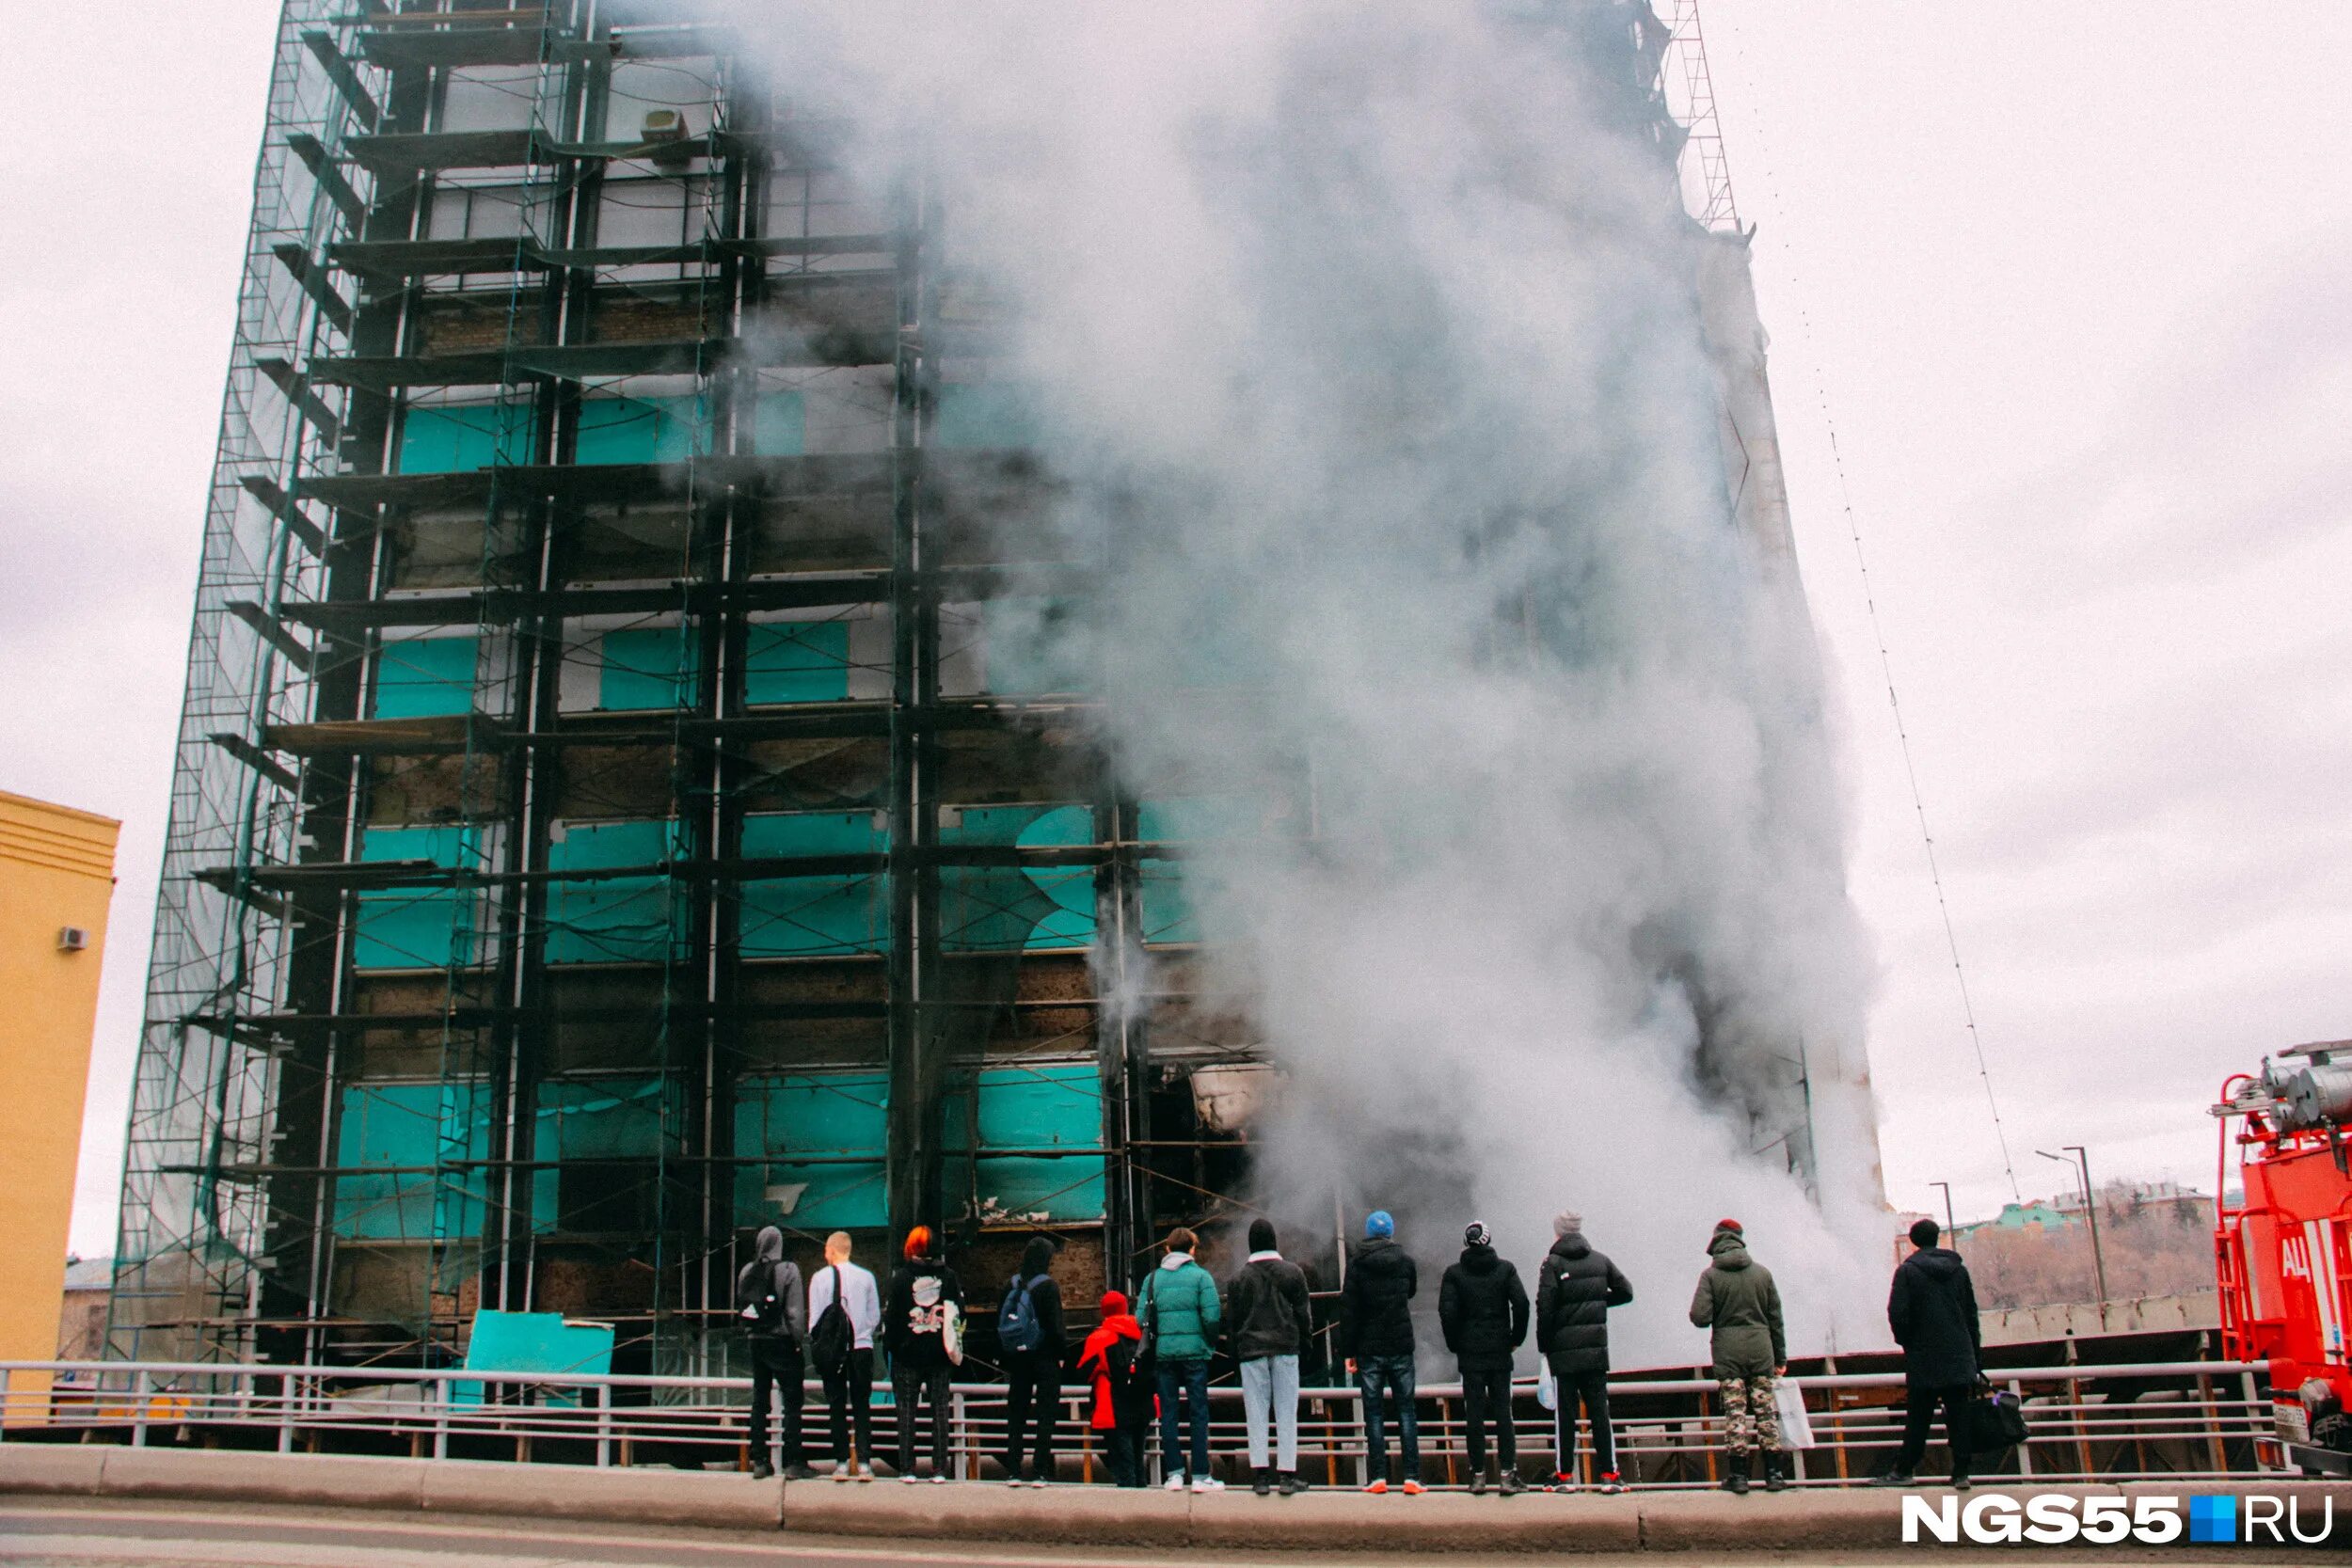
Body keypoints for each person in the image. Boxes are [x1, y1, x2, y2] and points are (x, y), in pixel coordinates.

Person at [1874, 1217, 1982, 1491]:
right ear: (1937, 1238)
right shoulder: (1958, 1270)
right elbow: (1971, 1315)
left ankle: (1904, 1470)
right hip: (1959, 1354)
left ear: (1912, 1240)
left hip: (1924, 1357)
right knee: (1959, 1415)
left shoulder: (1907, 1272)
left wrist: (1907, 1343)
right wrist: (1974, 1355)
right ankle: (1961, 1473)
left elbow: (1897, 1314)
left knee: (1918, 1417)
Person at [1687, 1217, 1788, 1496]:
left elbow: (1699, 1317)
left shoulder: (1710, 1276)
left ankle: (1739, 1477)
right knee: (1766, 1413)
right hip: (1761, 1351)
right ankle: (1775, 1475)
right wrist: (1780, 1359)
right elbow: (1776, 1319)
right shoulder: (1762, 1274)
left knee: (1735, 1414)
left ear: (1716, 1240)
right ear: (1741, 1240)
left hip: (1729, 1354)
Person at [1535, 1210, 1632, 1493]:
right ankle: (1609, 1476)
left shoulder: (1551, 1264)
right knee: (1600, 1413)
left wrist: (1544, 1347)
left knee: (1565, 1417)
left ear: (1558, 1233)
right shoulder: (1600, 1261)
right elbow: (1626, 1292)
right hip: (1595, 1353)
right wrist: (1597, 1304)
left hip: (1563, 1355)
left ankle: (1565, 1476)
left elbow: (1545, 1308)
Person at [1440, 1220, 1530, 1496]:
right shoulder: (1505, 1269)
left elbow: (1447, 1312)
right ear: (1489, 1241)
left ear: (1466, 1243)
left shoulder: (1454, 1274)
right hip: (1500, 1351)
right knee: (1504, 1414)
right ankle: (1507, 1474)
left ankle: (1477, 1476)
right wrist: (1516, 1339)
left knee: (1474, 1416)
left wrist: (1455, 1343)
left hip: (1470, 1353)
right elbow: (1522, 1304)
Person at [1226, 1217, 1313, 1496]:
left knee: (1256, 1412)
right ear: (1274, 1240)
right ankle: (1287, 1475)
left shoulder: (1238, 1279)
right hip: (1286, 1348)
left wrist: (1234, 1357)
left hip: (1251, 1352)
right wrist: (1306, 1344)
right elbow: (1304, 1315)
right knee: (1287, 1412)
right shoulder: (1293, 1273)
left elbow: (1233, 1324)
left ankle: (1260, 1476)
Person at [1340, 1209, 1422, 1496]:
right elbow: (1410, 1292)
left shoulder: (1356, 1265)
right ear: (1390, 1232)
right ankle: (1412, 1476)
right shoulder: (1406, 1262)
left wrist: (1348, 1351)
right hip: (1400, 1345)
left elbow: (1349, 1310)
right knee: (1406, 1411)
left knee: (1373, 1413)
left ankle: (1378, 1477)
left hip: (1369, 1348)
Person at [1140, 1226, 1223, 1491]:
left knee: (1168, 1414)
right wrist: (1207, 1343)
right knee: (1199, 1413)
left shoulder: (1152, 1280)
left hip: (1164, 1355)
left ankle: (1173, 1474)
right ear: (1192, 1249)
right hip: (1195, 1355)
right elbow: (1212, 1317)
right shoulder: (1202, 1277)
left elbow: (1140, 1318)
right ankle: (1200, 1475)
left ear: (1167, 1249)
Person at [883, 1225, 963, 1483]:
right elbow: (960, 1313)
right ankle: (940, 1468)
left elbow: (892, 1320)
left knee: (906, 1411)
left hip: (907, 1357)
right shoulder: (949, 1276)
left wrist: (894, 1349)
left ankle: (907, 1467)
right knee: (940, 1409)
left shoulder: (901, 1279)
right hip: (940, 1356)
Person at [734, 1224, 810, 1481]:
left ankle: (760, 1459)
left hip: (756, 1340)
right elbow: (795, 1312)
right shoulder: (788, 1269)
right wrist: (798, 1340)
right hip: (782, 1340)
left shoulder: (747, 1270)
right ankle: (794, 1460)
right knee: (792, 1402)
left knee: (759, 1399)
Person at [806, 1229, 882, 1481]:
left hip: (832, 1351)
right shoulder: (867, 1277)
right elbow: (874, 1317)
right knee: (862, 1404)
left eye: (826, 1250)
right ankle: (864, 1463)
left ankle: (840, 1462)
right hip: (861, 1347)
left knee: (835, 1405)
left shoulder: (819, 1279)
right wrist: (860, 1332)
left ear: (832, 1250)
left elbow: (814, 1320)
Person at [999, 1234, 1066, 1486]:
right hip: (1045, 1358)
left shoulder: (1011, 1284)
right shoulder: (1048, 1286)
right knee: (1045, 1414)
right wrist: (1061, 1355)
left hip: (1018, 1358)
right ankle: (1039, 1470)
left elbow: (1002, 1321)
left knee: (1016, 1414)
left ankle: (1013, 1470)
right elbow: (1056, 1326)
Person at [1076, 1289, 1152, 1487]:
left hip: (1114, 1407)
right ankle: (1144, 1504)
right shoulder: (1142, 1334)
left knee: (1123, 1464)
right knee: (1138, 1460)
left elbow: (1083, 1372)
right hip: (1143, 1404)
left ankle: (1130, 1510)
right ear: (1126, 1308)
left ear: (1104, 1311)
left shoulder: (1100, 1338)